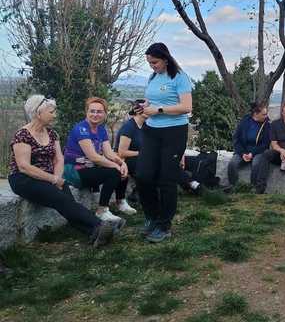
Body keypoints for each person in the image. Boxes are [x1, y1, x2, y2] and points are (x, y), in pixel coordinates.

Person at [9, 95, 114, 247]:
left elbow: (59, 159)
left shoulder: (52, 134)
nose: (55, 115)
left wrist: (57, 178)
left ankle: (94, 232)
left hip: (51, 177)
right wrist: (53, 180)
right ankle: (99, 225)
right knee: (61, 199)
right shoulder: (22, 135)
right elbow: (24, 166)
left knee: (67, 203)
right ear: (38, 114)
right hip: (24, 178)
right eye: (51, 112)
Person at [136, 42, 192, 243]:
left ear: (165, 59)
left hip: (174, 132)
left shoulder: (180, 77)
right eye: (150, 63)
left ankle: (164, 225)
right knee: (143, 174)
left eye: (155, 62)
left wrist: (158, 110)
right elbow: (150, 102)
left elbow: (186, 107)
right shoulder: (153, 77)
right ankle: (152, 216)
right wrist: (143, 107)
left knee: (166, 178)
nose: (152, 66)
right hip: (152, 130)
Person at [64, 97, 132, 229]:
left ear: (105, 114)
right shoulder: (81, 129)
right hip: (74, 171)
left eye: (99, 112)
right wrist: (116, 165)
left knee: (122, 168)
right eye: (92, 111)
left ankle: (121, 201)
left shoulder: (101, 129)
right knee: (114, 172)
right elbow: (94, 157)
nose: (95, 114)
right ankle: (102, 211)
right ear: (86, 112)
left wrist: (121, 162)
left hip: (89, 168)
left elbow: (109, 153)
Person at [228, 102, 270, 190]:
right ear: (256, 114)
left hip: (258, 151)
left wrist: (252, 154)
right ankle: (234, 187)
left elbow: (265, 145)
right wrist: (243, 153)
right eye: (264, 114)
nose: (266, 116)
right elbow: (236, 140)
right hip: (243, 150)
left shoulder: (267, 125)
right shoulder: (244, 122)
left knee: (256, 165)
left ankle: (253, 188)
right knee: (232, 164)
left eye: (266, 114)